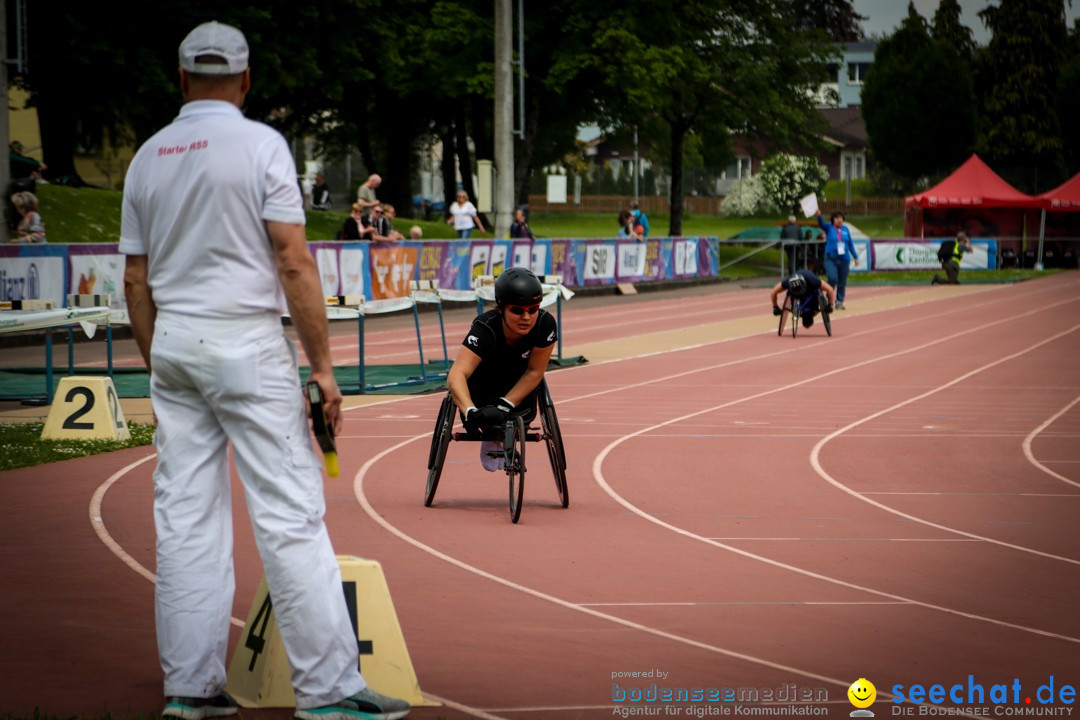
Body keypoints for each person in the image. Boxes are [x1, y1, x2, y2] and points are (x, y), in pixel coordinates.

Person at [119, 21, 410, 720]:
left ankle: (189, 689)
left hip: (176, 341)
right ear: (246, 81)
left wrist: (159, 363)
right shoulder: (261, 146)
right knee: (289, 515)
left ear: (182, 78)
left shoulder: (149, 156)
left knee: (186, 518)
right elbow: (292, 260)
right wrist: (324, 369)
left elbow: (135, 279)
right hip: (245, 340)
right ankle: (329, 689)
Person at [446, 267, 556, 471]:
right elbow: (456, 374)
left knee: (529, 376)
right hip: (480, 391)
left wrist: (505, 406)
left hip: (518, 392)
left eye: (533, 309)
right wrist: (469, 411)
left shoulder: (544, 325)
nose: (526, 317)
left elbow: (535, 372)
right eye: (517, 310)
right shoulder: (485, 328)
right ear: (501, 307)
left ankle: (501, 435)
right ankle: (492, 438)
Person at [815, 209, 859, 310]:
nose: (839, 220)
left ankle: (839, 301)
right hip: (831, 258)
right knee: (832, 278)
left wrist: (855, 257)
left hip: (844, 259)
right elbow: (821, 223)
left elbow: (850, 244)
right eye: (836, 218)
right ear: (833, 220)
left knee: (842, 281)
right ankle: (828, 296)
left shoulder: (846, 229)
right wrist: (819, 216)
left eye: (841, 218)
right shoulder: (829, 227)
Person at [769, 269, 836, 329]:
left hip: (811, 292)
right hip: (795, 295)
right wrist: (775, 307)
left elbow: (830, 289)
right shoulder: (788, 282)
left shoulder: (813, 280)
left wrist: (830, 305)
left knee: (815, 294)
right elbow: (773, 292)